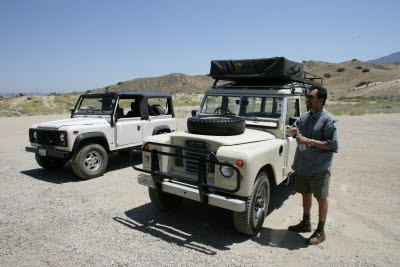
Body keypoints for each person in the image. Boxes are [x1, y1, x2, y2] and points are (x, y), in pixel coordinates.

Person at [288, 85, 339, 245]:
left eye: (310, 97)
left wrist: (309, 141)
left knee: (321, 198)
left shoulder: (329, 120)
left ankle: (321, 230)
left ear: (321, 100)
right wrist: (292, 131)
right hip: (303, 165)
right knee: (305, 194)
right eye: (307, 97)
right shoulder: (305, 117)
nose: (307, 100)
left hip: (319, 168)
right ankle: (306, 223)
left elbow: (333, 145)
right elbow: (295, 128)